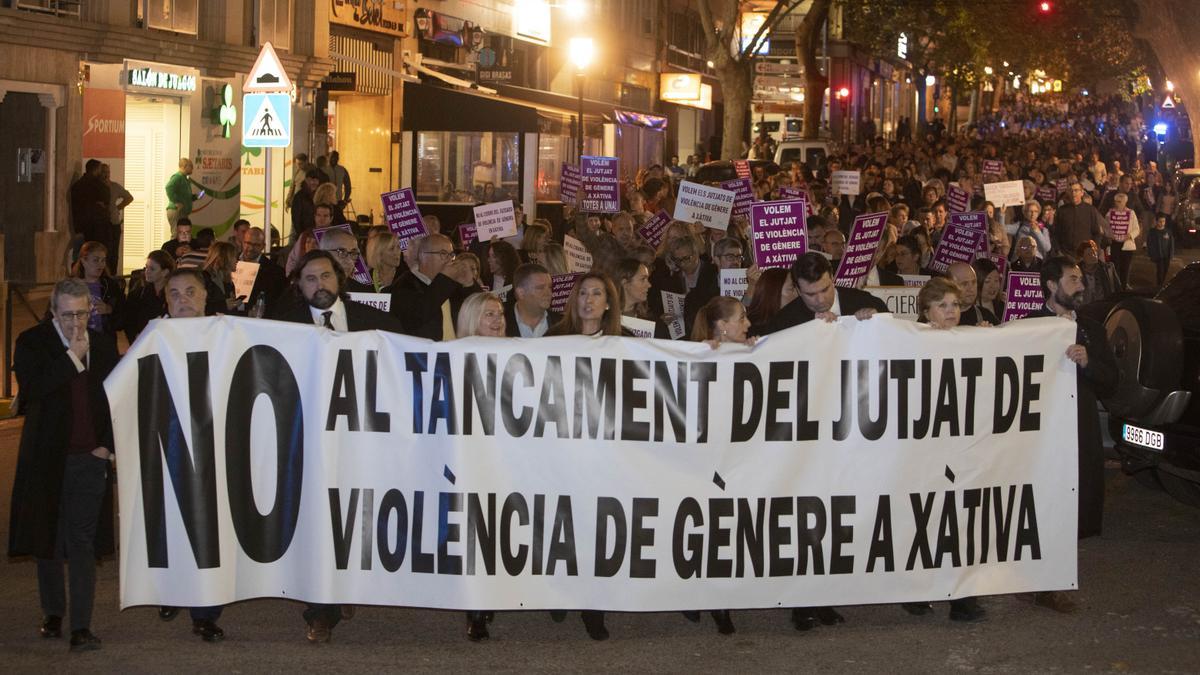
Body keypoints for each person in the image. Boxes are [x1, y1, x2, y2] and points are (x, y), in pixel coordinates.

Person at [269, 251, 402, 642]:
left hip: (364, 441)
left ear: (340, 279)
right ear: (299, 286)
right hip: (308, 442)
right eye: (309, 278)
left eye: (325, 276)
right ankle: (320, 610)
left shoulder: (377, 323)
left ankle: (346, 587)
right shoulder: (282, 327)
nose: (319, 285)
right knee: (317, 521)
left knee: (356, 518)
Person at [8, 277, 119, 652]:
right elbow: (34, 388)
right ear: (53, 312)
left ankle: (81, 628)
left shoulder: (103, 346)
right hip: (46, 459)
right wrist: (72, 357)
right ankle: (53, 613)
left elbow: (115, 400)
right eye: (68, 314)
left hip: (90, 459)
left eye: (82, 314)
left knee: (83, 543)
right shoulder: (32, 343)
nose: (76, 322)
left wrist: (107, 446)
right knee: (48, 540)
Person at [153, 268, 227, 641]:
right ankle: (170, 589)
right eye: (175, 294)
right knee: (168, 524)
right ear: (166, 300)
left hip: (214, 445)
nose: (183, 299)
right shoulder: (153, 337)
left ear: (204, 297)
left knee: (209, 531)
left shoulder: (226, 334)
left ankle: (205, 613)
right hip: (167, 444)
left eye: (190, 292)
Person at [1027, 256, 1118, 543]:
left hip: (1080, 426)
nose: (1081, 286)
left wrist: (1088, 361)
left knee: (1079, 491)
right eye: (1073, 280)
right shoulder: (1027, 327)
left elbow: (1111, 379)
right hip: (1039, 430)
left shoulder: (1092, 329)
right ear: (1052, 285)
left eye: (1081, 279)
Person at [762, 252, 887, 334]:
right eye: (810, 294)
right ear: (798, 290)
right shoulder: (784, 323)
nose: (820, 300)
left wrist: (880, 322)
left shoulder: (867, 303)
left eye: (825, 289)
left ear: (832, 279)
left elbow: (893, 341)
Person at [387, 233, 467, 341]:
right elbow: (417, 316)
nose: (449, 260)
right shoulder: (405, 285)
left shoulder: (451, 284)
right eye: (443, 254)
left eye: (451, 255)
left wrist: (468, 283)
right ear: (423, 256)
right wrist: (444, 280)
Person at [71, 241, 124, 339]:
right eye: (96, 260)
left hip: (104, 340)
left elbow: (123, 315)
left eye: (103, 260)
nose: (101, 265)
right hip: (76, 339)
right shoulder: (70, 286)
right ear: (83, 261)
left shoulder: (111, 286)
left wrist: (109, 309)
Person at [125, 250, 175, 342]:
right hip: (142, 341)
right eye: (146, 268)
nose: (147, 272)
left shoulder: (174, 295)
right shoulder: (138, 293)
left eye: (152, 269)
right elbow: (129, 322)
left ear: (165, 272)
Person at [239, 226, 288, 312]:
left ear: (263, 246)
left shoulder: (275, 272)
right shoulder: (229, 264)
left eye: (256, 245)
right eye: (248, 243)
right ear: (243, 242)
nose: (251, 248)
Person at [505, 263, 559, 338]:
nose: (548, 293)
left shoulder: (562, 323)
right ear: (521, 293)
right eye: (540, 288)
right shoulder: (500, 324)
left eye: (550, 287)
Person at [69, 160, 111, 253]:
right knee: (98, 251)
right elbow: (106, 200)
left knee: (85, 252)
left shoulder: (77, 185)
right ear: (96, 169)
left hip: (81, 226)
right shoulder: (99, 185)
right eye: (100, 169)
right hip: (98, 226)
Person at [1052, 182, 1106, 256]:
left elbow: (1097, 233)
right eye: (1071, 191)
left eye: (1076, 190)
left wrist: (1093, 249)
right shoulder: (1061, 211)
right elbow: (1056, 234)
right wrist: (1058, 250)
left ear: (1082, 192)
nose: (1073, 193)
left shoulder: (1090, 210)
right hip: (1066, 255)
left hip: (1086, 254)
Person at [1103, 191, 1140, 289]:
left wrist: (1130, 235)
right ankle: (1115, 288)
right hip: (1114, 244)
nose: (1117, 203)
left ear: (1125, 202)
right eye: (1116, 201)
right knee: (1115, 268)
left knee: (1125, 269)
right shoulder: (1109, 213)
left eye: (1119, 201)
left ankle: (1123, 288)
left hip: (1127, 245)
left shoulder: (1131, 213)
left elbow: (1137, 229)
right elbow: (1105, 228)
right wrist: (1110, 235)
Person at [745, 268, 798, 336]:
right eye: (791, 289)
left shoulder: (799, 320)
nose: (797, 294)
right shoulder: (749, 330)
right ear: (773, 293)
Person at [317, 227, 371, 292]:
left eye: (353, 253)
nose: (349, 261)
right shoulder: (308, 291)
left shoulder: (363, 293)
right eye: (342, 252)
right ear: (324, 254)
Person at [100, 163, 132, 274]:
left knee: (113, 253)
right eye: (103, 172)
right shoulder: (96, 187)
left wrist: (118, 207)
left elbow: (129, 197)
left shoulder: (114, 186)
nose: (106, 174)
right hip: (100, 224)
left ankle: (112, 275)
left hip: (113, 223)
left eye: (107, 172)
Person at [1076, 240, 1121, 305]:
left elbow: (1118, 290)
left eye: (1094, 253)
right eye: (1089, 254)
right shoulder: (1076, 272)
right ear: (1082, 257)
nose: (1093, 256)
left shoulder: (1108, 268)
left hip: (1104, 307)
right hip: (1083, 310)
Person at [201, 241, 239, 315]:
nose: (236, 260)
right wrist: (223, 305)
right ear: (224, 258)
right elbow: (200, 306)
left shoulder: (228, 281)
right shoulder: (204, 279)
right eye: (234, 257)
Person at [165, 158, 199, 231]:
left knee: (181, 234)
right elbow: (168, 188)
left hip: (182, 212)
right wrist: (176, 202)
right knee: (176, 234)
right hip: (177, 211)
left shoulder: (184, 179)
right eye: (190, 166)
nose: (192, 168)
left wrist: (196, 197)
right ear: (185, 166)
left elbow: (185, 197)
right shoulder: (178, 177)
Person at [290, 169, 321, 239]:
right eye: (311, 180)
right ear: (306, 180)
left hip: (317, 234)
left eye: (316, 180)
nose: (314, 182)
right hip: (304, 234)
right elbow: (296, 218)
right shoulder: (299, 196)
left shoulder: (320, 195)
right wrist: (301, 234)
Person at [1146, 213, 1174, 288]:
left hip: (1166, 255)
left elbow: (1171, 244)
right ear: (1156, 221)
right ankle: (1159, 286)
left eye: (1163, 221)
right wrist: (1151, 254)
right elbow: (1149, 243)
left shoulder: (1168, 232)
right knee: (1160, 271)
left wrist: (1171, 254)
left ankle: (1161, 284)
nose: (1162, 223)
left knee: (1165, 270)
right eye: (1160, 221)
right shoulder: (1152, 232)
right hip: (1158, 256)